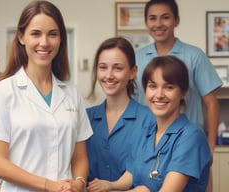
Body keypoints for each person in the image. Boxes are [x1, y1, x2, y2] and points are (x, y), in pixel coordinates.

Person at [0, 1, 93, 192]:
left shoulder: (72, 93)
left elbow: (79, 157)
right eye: (36, 33)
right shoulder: (3, 92)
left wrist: (79, 182)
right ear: (21, 37)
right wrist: (50, 186)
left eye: (53, 34)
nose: (44, 42)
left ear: (61, 39)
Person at [87, 55, 211, 192]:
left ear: (183, 92)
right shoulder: (148, 132)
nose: (159, 94)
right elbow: (133, 172)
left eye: (168, 87)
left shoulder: (191, 137)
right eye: (152, 86)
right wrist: (111, 185)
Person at [135, 0, 222, 154]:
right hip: (148, 145)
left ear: (177, 20)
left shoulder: (195, 56)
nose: (158, 24)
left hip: (189, 145)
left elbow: (212, 104)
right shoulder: (137, 59)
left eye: (165, 17)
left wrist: (210, 147)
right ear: (146, 22)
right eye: (153, 18)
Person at [85, 37, 155, 185]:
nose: (109, 75)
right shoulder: (85, 118)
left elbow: (148, 172)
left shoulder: (149, 119)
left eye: (117, 68)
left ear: (132, 72)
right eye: (103, 67)